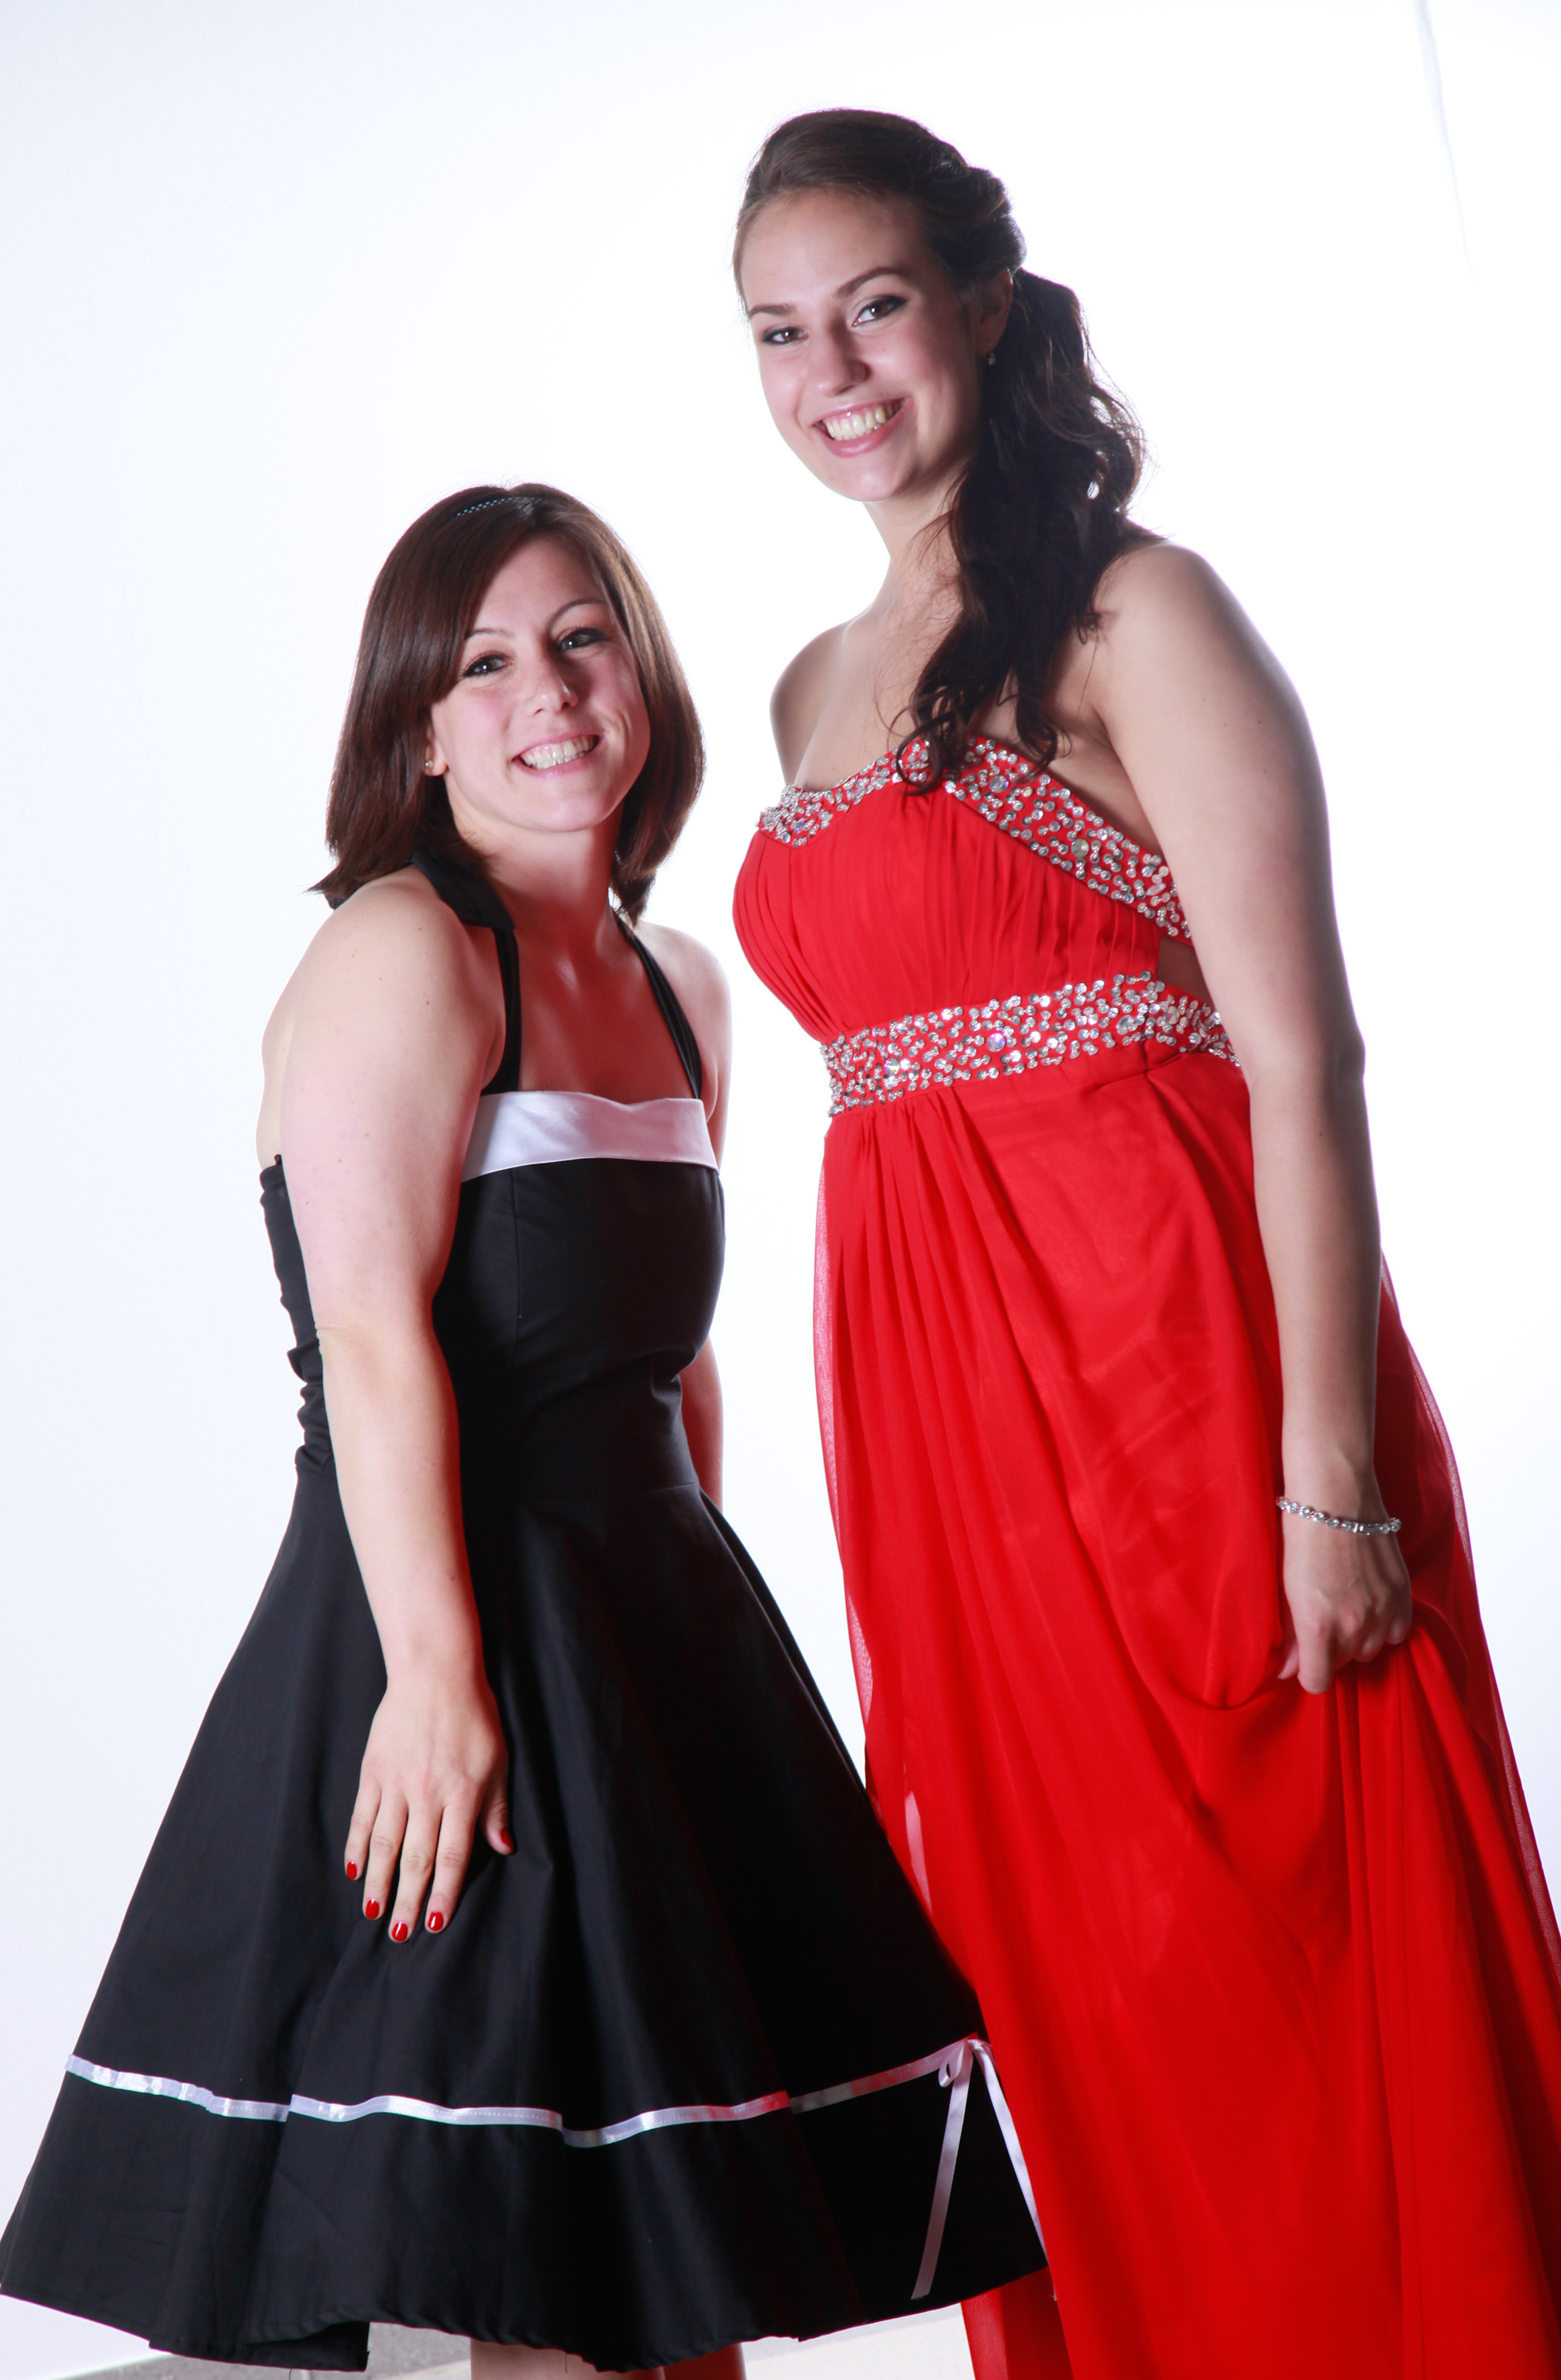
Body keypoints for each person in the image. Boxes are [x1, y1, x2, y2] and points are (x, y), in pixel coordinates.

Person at [0, 483, 1046, 2378]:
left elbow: (670, 1359)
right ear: (416, 731)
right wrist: (438, 1682)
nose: (546, 694)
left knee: (688, 2271)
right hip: (440, 1629)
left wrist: (700, 1688)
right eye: (481, 664)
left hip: (653, 1641)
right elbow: (372, 1340)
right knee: (542, 2273)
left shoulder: (684, 988)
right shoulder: (402, 952)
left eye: (579, 640)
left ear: (641, 672)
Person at [730, 109, 1561, 2380]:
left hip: (1186, 1383)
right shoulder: (810, 684)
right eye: (779, 335)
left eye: (874, 307)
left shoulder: (1132, 607)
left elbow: (1304, 1058)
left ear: (985, 304)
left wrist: (1332, 1479)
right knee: (1065, 1979)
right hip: (947, 1426)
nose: (832, 374)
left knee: (1301, 1964)